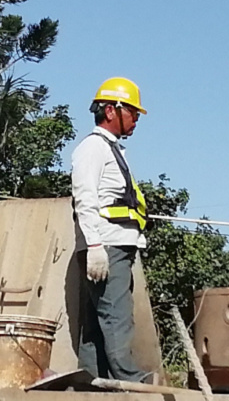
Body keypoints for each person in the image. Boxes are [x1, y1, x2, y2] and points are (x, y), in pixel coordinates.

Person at [71, 76, 150, 383]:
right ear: (110, 111)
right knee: (117, 318)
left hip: (113, 246)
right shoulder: (93, 148)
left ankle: (92, 381)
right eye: (132, 112)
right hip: (107, 246)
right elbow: (85, 198)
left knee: (96, 324)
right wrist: (94, 247)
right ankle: (133, 382)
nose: (136, 120)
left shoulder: (110, 149)